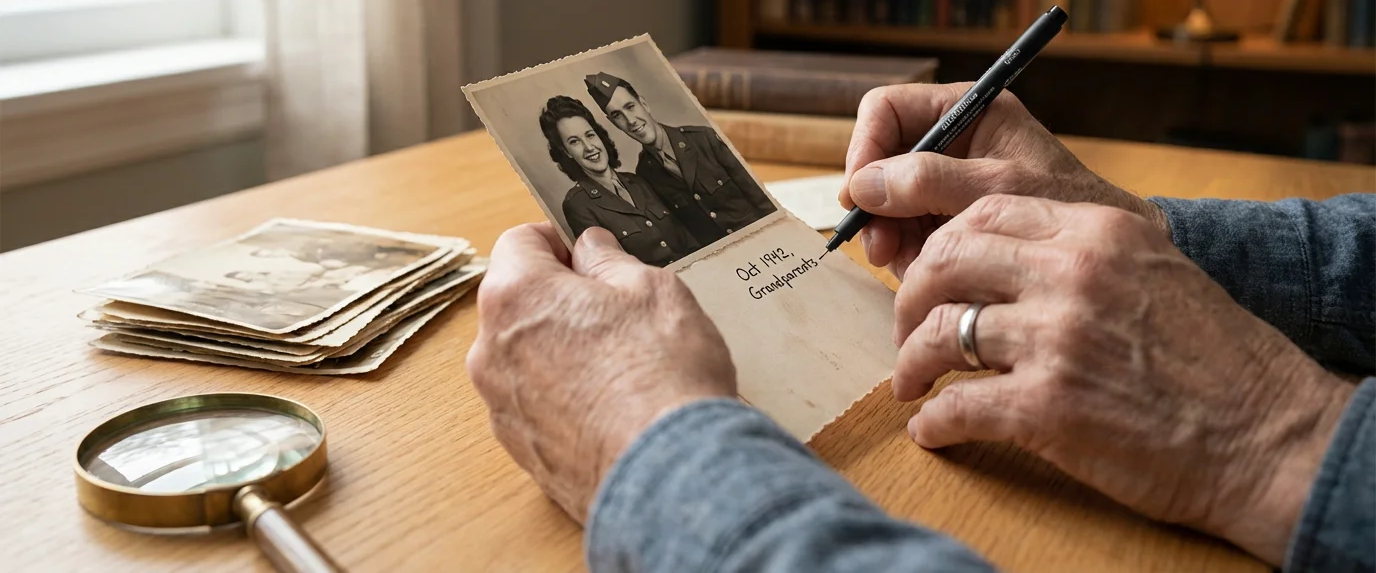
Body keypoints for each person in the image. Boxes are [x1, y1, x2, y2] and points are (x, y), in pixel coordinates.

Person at [472, 82, 1374, 573]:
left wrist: (652, 457)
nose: (611, 134)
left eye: (618, 120)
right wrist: (1136, 238)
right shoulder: (601, 196)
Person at [585, 72, 776, 242]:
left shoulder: (704, 139)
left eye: (630, 107)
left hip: (762, 241)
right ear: (614, 123)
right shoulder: (645, 173)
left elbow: (761, 200)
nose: (631, 120)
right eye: (618, 115)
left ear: (644, 104)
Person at [539, 94, 698, 268]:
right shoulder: (578, 204)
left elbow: (687, 237)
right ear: (566, 152)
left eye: (590, 135)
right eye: (574, 141)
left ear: (599, 136)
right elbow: (613, 267)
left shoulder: (638, 181)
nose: (589, 147)